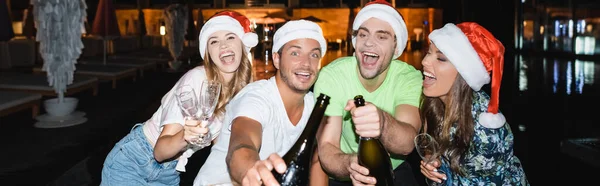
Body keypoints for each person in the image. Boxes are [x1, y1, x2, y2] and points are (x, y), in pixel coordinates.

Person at [100, 10, 258, 185]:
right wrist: (186, 136)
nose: (223, 46)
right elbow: (160, 152)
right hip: (134, 161)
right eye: (214, 41)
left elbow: (221, 149)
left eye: (230, 37)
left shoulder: (241, 91)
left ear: (243, 44)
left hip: (169, 171)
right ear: (208, 54)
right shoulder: (196, 79)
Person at [194, 20, 327, 186]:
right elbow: (243, 141)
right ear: (276, 59)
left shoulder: (313, 106)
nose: (306, 63)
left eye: (314, 55)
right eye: (295, 53)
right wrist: (250, 168)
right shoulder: (256, 97)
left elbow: (316, 162)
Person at [313, 0, 423, 185]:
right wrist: (352, 165)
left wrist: (382, 122)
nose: (369, 43)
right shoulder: (332, 76)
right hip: (344, 171)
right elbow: (326, 146)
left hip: (395, 169)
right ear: (355, 42)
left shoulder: (408, 77)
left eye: (381, 37)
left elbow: (407, 144)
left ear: (396, 47)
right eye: (363, 35)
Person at [419, 22, 529, 185]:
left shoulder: (485, 133)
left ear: (464, 74)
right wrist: (433, 161)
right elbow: (437, 149)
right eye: (428, 52)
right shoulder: (435, 103)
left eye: (441, 58)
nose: (424, 61)